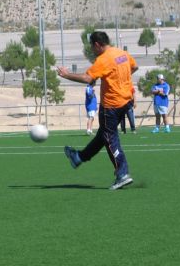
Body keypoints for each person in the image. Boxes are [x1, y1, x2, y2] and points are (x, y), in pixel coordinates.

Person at [57, 31, 138, 190]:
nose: (92, 50)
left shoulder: (103, 60)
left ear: (97, 45)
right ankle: (78, 157)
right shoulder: (122, 53)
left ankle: (122, 173)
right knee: (103, 135)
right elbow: (134, 67)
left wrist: (66, 75)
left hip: (111, 106)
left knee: (110, 138)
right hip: (126, 101)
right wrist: (120, 80)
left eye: (92, 47)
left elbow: (88, 78)